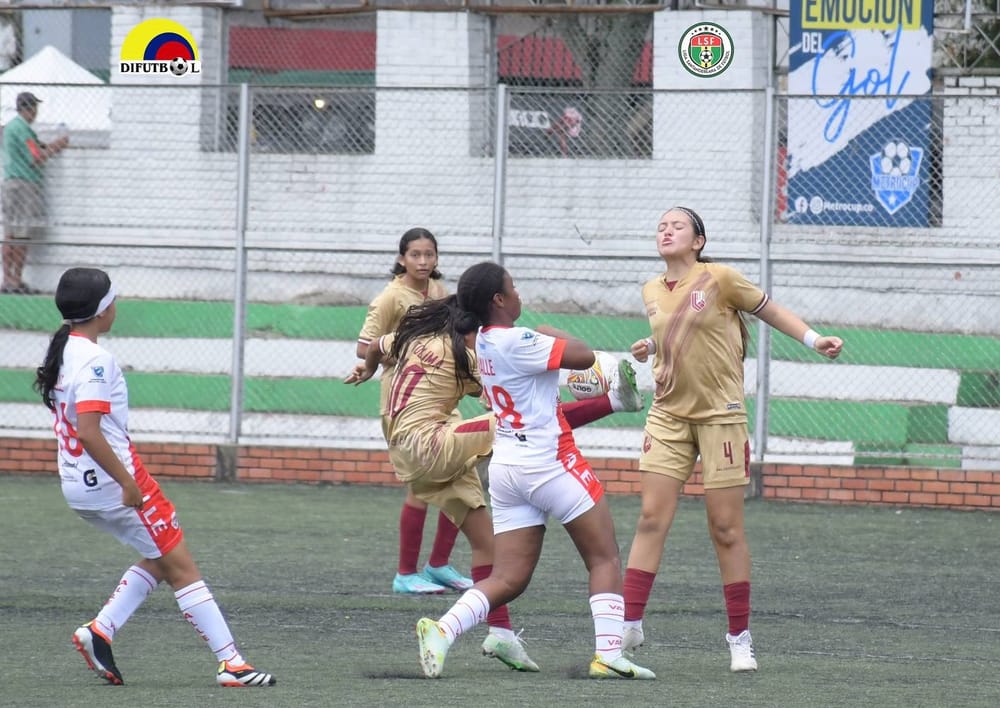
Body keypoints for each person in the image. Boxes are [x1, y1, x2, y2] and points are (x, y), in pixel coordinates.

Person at [620, 206, 844, 673]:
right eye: (660, 225)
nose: (666, 230)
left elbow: (771, 310)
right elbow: (676, 335)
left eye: (677, 225)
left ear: (698, 240)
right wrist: (649, 345)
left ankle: (739, 638)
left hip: (720, 418)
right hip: (667, 416)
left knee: (725, 529)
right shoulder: (650, 289)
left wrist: (814, 339)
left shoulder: (719, 278)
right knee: (649, 519)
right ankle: (630, 623)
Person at [412, 262, 656, 680]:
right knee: (604, 556)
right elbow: (581, 357)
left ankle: (443, 629)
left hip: (507, 470)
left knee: (510, 577)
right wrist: (552, 333)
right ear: (499, 300)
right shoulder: (518, 339)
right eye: (513, 287)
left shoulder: (483, 340)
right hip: (550, 464)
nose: (519, 293)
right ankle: (608, 655)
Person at [33, 267, 276, 688]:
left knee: (162, 559)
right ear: (103, 310)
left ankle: (101, 630)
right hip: (115, 483)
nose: (117, 307)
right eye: (113, 300)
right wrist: (128, 483)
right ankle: (232, 664)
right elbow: (89, 431)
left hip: (79, 484)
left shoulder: (66, 350)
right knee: (182, 567)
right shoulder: (95, 359)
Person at [356, 227, 474, 595]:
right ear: (402, 258)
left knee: (463, 472)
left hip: (440, 399)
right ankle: (405, 573)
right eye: (415, 255)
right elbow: (365, 348)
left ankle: (438, 565)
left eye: (429, 254)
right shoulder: (390, 298)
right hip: (404, 402)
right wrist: (400, 354)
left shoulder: (439, 293)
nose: (423, 261)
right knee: (422, 485)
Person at [2, 92, 68, 294]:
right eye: (35, 109)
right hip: (24, 186)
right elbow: (36, 156)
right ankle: (15, 280)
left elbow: (34, 148)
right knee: (22, 234)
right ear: (29, 109)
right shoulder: (22, 129)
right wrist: (58, 145)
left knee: (10, 232)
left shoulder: (12, 127)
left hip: (11, 184)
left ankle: (8, 279)